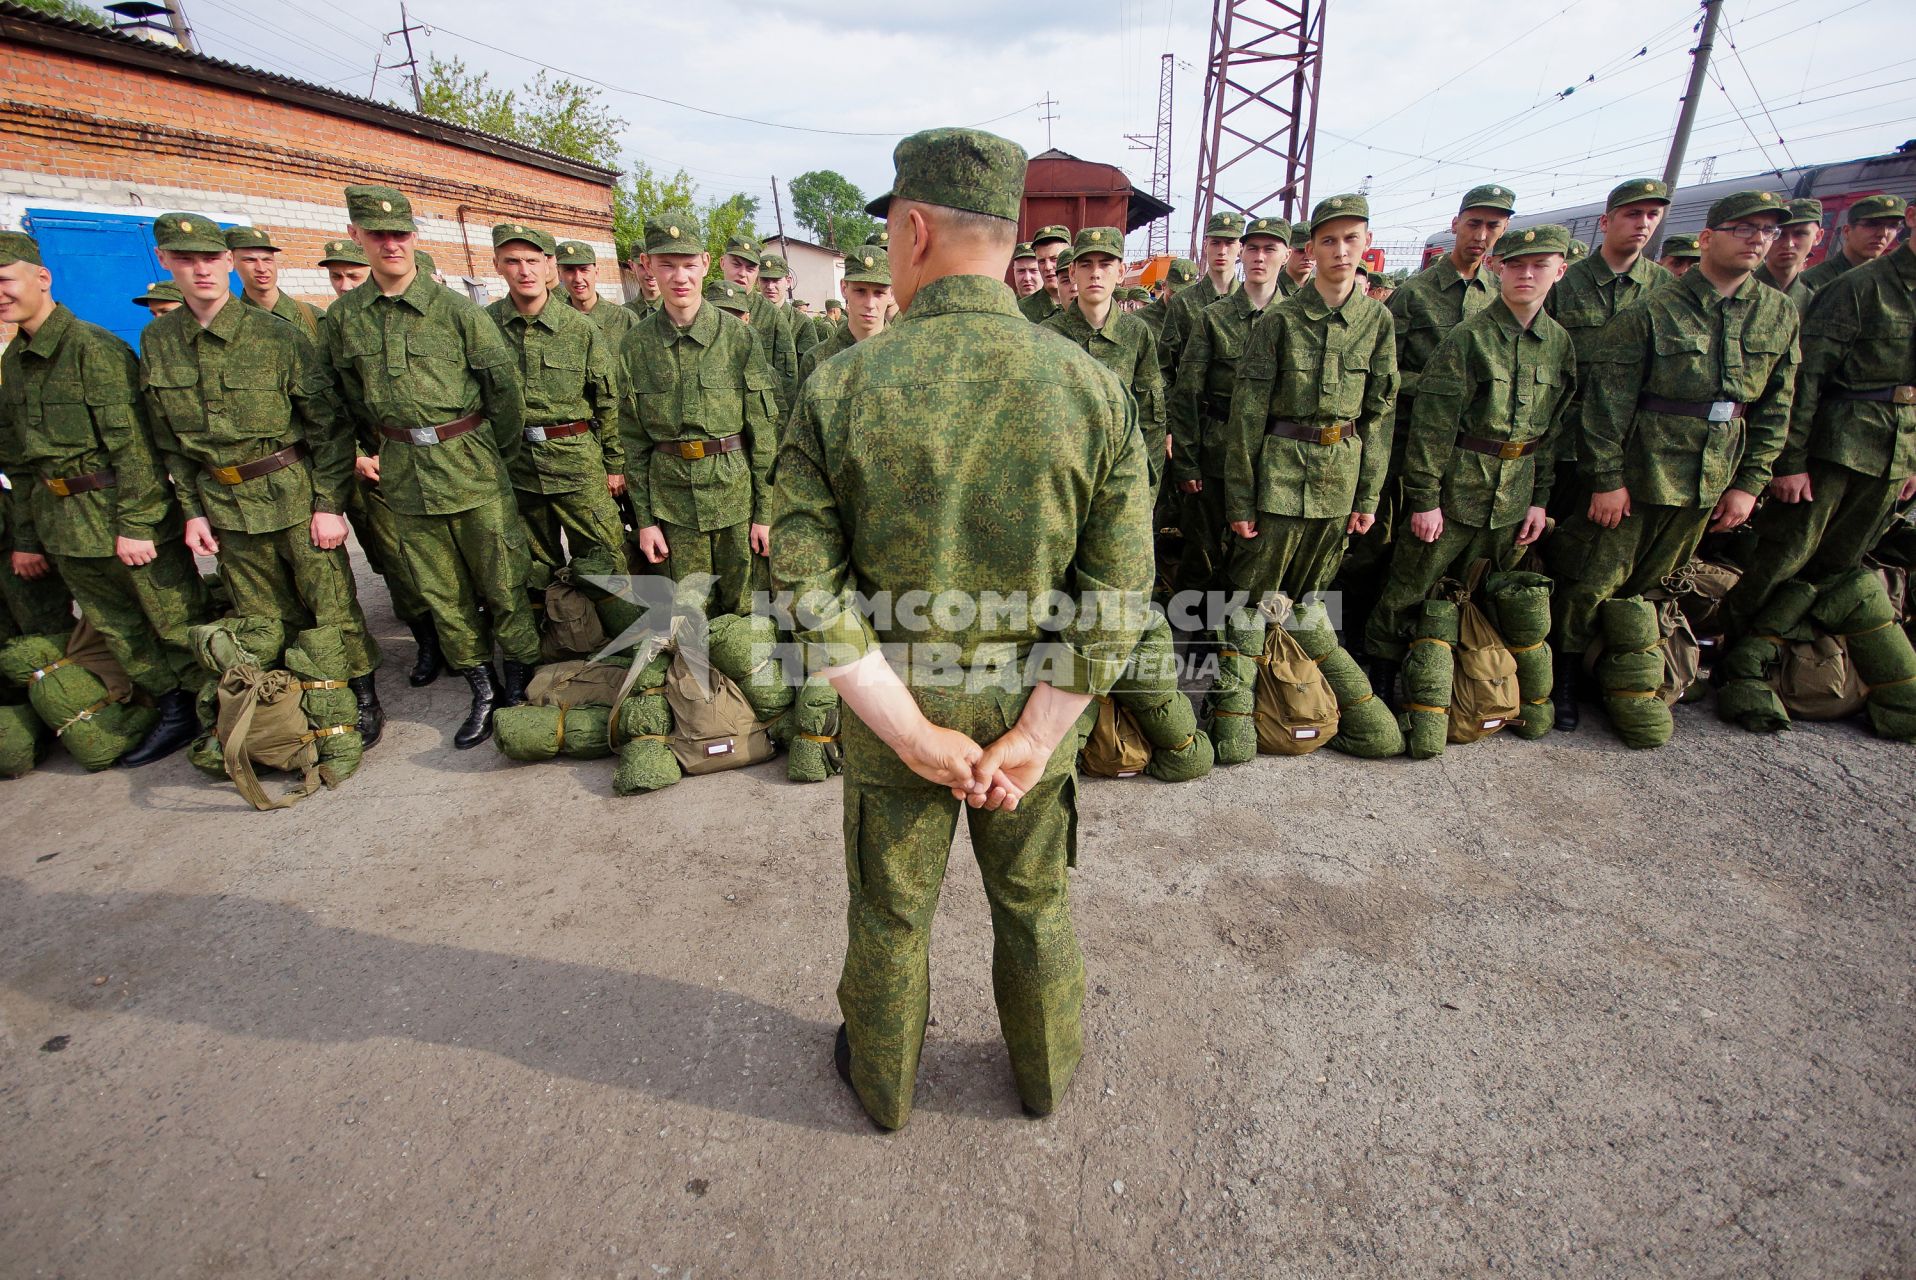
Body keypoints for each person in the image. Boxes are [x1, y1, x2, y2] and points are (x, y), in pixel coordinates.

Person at [771, 126, 1153, 1132]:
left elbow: (807, 581)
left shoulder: (840, 385)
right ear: (1010, 232)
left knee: (892, 910)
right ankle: (1042, 1074)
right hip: (1034, 694)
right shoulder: (1087, 387)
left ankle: (884, 1089)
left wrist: (908, 732)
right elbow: (1118, 589)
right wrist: (1032, 735)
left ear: (910, 230)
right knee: (1032, 900)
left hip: (898, 696)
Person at [1547, 191, 1799, 730]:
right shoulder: (1652, 311)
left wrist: (1749, 482)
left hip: (1711, 474)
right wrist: (1607, 479)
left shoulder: (1777, 313)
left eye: (1768, 230)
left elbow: (1776, 405)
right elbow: (1606, 404)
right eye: (1744, 228)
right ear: (1708, 238)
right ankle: (1564, 676)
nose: (1758, 238)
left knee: (1661, 583)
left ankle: (1625, 672)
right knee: (1594, 578)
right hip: (1641, 470)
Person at [140, 212, 382, 743]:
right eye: (185, 260)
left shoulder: (277, 336)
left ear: (227, 262)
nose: (200, 270)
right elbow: (168, 443)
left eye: (210, 258)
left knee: (331, 601)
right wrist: (192, 511)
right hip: (224, 502)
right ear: (164, 262)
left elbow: (328, 425)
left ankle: (361, 694)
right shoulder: (158, 342)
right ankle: (289, 702)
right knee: (259, 614)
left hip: (292, 491)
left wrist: (328, 504)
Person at [324, 185, 538, 750]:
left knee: (504, 579)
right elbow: (347, 397)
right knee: (441, 590)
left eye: (399, 234)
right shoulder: (345, 319)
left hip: (472, 466)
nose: (390, 244)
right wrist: (380, 446)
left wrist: (493, 455)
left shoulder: (456, 312)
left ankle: (516, 676)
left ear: (415, 238)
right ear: (357, 237)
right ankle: (481, 684)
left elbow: (504, 392)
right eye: (377, 235)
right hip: (405, 475)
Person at [0, 228, 211, 767]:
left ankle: (216, 708)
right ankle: (172, 707)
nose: (0, 294)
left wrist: (139, 522)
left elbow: (137, 447)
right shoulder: (13, 365)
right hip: (63, 524)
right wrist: (27, 538)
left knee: (173, 620)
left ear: (41, 278)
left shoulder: (94, 350)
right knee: (119, 628)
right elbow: (21, 465)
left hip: (119, 516)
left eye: (5, 280)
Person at [1362, 225, 1576, 695]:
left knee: (1482, 589)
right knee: (1411, 583)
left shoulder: (1559, 343)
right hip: (1459, 483)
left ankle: (1458, 682)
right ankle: (1380, 671)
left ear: (1559, 272)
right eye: (1516, 264)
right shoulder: (1468, 338)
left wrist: (1539, 500)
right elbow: (1433, 428)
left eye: (1539, 265)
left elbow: (1552, 431)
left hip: (1515, 489)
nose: (1526, 274)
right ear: (1499, 268)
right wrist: (1423, 498)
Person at [1717, 198, 1916, 639]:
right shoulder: (1861, 287)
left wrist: (1912, 461)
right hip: (1836, 443)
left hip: (1894, 451)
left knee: (1845, 561)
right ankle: (1735, 644)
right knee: (1785, 554)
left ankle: (1789, 652)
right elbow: (1805, 381)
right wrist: (1790, 462)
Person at [1345, 185, 1513, 643]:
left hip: (1465, 450)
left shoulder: (1498, 297)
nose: (1481, 235)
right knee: (1377, 541)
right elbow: (1386, 372)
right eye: (1474, 223)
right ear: (1456, 224)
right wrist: (1444, 389)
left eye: (1493, 226)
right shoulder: (1415, 295)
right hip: (1405, 438)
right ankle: (1358, 632)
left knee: (1437, 548)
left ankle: (1424, 637)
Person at [1224, 195, 1398, 606]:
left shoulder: (1377, 321)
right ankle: (1244, 662)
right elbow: (1247, 416)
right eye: (1328, 241)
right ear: (1310, 250)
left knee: (1312, 597)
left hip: (1339, 480)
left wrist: (1368, 496)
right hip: (1279, 479)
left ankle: (1295, 668)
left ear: (1366, 241)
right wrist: (1241, 500)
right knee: (1254, 592)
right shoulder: (1280, 320)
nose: (1340, 251)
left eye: (1351, 239)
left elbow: (1379, 415)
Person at [620, 211, 778, 618]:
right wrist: (645, 522)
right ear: (647, 266)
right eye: (667, 264)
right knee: (688, 612)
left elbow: (762, 433)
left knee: (744, 608)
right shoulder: (635, 346)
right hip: (672, 504)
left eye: (689, 264)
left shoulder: (739, 338)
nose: (679, 276)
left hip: (734, 497)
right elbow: (634, 442)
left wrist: (764, 514)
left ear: (706, 263)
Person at [317, 235, 440, 687]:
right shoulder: (336, 323)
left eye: (353, 276)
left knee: (448, 561)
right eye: (337, 277)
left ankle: (464, 640)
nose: (346, 285)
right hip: (374, 464)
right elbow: (326, 403)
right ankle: (426, 640)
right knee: (398, 561)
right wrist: (355, 455)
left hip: (436, 461)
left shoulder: (434, 316)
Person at [483, 224, 626, 582]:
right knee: (532, 567)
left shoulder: (579, 329)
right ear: (498, 265)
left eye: (533, 260)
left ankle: (623, 635)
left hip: (576, 461)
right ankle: (560, 635)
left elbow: (607, 401)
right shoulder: (483, 326)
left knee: (605, 557)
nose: (524, 270)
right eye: (513, 261)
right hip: (516, 466)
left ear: (548, 266)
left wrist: (614, 464)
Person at [1168, 214, 1287, 605]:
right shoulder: (1212, 318)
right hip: (1216, 447)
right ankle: (1193, 631)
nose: (1259, 257)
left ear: (1285, 256)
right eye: (1253, 248)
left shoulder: (1297, 319)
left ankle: (1236, 634)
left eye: (1269, 249)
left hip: (1273, 454)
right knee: (1202, 548)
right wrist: (1186, 460)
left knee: (1255, 553)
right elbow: (1186, 392)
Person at [1543, 178, 1674, 516]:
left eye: (1652, 215)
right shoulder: (1565, 282)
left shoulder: (1667, 290)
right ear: (1606, 222)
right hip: (1563, 439)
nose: (1643, 223)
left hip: (1632, 444)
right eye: (1632, 213)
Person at [1043, 226, 1166, 490]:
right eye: (1086, 265)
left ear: (1121, 272)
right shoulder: (1050, 335)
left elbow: (1152, 420)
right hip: (1065, 481)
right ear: (1073, 272)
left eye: (1106, 264)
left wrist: (1148, 493)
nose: (1096, 273)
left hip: (1121, 480)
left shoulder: (1136, 334)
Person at [719, 232, 800, 416]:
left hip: (759, 417)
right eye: (736, 265)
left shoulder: (772, 317)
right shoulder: (703, 310)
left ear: (756, 273)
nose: (742, 274)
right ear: (722, 262)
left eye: (750, 268)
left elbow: (786, 383)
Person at [1158, 211, 1245, 384]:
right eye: (1215, 243)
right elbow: (1163, 368)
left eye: (1229, 243)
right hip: (1192, 407)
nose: (1222, 251)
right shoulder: (1183, 302)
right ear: (1205, 246)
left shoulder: (1249, 301)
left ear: (1240, 248)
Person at [798, 245, 890, 387]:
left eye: (879, 293)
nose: (870, 304)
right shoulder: (816, 360)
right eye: (860, 291)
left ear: (892, 293)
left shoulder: (910, 354)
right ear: (844, 288)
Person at [1798, 194, 1907, 297]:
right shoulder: (1812, 281)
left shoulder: (1895, 282)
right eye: (1872, 225)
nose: (1883, 234)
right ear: (1847, 231)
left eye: (1892, 226)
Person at [226, 225, 321, 340]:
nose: (261, 268)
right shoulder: (230, 326)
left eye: (267, 260)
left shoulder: (314, 318)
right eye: (250, 260)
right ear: (231, 262)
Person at [556, 239, 640, 352]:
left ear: (596, 273)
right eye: (569, 270)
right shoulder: (554, 322)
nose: (578, 279)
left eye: (584, 270)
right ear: (559, 274)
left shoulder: (625, 319)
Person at [1754, 198, 1824, 309]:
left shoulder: (1815, 305)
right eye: (1780, 235)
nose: (1788, 244)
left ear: (1818, 237)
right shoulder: (1736, 290)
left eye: (1800, 234)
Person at [1017, 223, 1071, 323]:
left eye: (1054, 259)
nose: (1047, 267)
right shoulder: (1021, 311)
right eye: (1041, 261)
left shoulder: (1087, 304)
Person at [624, 243, 662, 318]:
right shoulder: (624, 314)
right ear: (631, 265)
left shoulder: (680, 308)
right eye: (643, 266)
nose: (651, 273)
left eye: (654, 265)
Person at [1281, 222, 1313, 295]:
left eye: (1312, 251)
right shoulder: (1271, 288)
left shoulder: (1326, 287)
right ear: (1287, 252)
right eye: (1301, 251)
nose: (1307, 257)